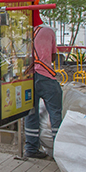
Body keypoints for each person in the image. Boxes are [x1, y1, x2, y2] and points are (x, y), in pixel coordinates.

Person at [24, 10, 63, 159]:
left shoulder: (25, 32)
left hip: (28, 77)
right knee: (55, 113)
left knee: (31, 113)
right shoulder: (48, 31)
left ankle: (31, 148)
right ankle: (59, 152)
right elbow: (53, 56)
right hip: (45, 75)